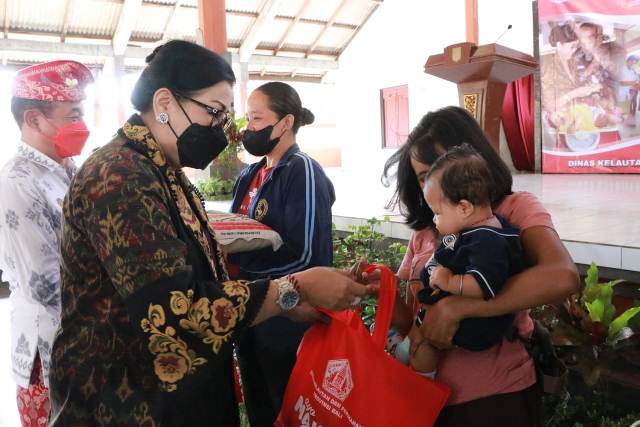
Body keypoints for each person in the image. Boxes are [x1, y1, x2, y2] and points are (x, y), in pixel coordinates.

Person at [47, 40, 366, 427]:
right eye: (215, 113)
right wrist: (291, 288)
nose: (224, 131)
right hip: (126, 404)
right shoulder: (120, 177)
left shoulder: (162, 171)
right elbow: (176, 310)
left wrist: (285, 299)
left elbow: (203, 275)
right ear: (164, 104)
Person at [380, 106, 579, 426]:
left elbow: (562, 275)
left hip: (494, 402)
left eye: (442, 168)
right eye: (423, 177)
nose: (435, 183)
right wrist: (382, 289)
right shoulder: (425, 231)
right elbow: (415, 323)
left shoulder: (513, 210)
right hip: (424, 401)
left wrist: (461, 308)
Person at [229, 82, 335, 426]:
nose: (249, 128)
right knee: (261, 412)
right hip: (252, 313)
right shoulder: (250, 173)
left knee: (290, 411)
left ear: (285, 123)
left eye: (257, 118)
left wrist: (242, 269)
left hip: (288, 320)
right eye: (248, 118)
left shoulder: (300, 169)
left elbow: (304, 255)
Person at [0, 60, 92, 427]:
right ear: (34, 119)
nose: (81, 124)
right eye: (73, 114)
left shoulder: (67, 168)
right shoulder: (18, 182)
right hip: (53, 347)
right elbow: (45, 284)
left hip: (87, 338)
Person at [405, 144, 524, 380]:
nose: (435, 220)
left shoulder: (487, 240)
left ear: (464, 208)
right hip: (452, 311)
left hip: (475, 326)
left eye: (437, 212)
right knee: (421, 336)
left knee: (426, 346)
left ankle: (420, 383)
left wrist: (451, 280)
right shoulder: (474, 231)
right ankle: (409, 351)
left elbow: (484, 285)